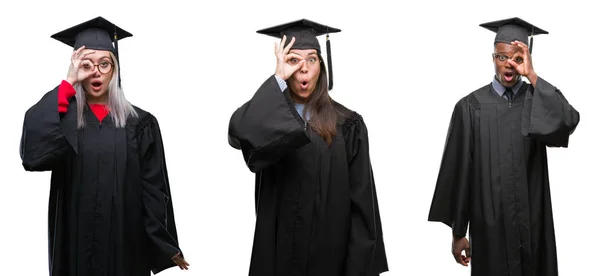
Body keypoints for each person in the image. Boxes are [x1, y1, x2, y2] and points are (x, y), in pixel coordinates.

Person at [19, 16, 189, 276]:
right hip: (74, 243)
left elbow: (154, 190)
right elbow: (32, 155)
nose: (96, 71)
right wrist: (67, 84)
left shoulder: (140, 124)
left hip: (125, 245)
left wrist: (165, 244)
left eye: (104, 64)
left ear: (115, 69)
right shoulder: (63, 119)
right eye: (87, 65)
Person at [227, 19, 388, 276]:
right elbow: (238, 132)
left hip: (330, 258)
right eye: (293, 61)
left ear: (322, 67)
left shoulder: (348, 125)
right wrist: (277, 80)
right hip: (277, 255)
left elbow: (362, 208)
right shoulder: (267, 120)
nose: (303, 70)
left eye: (311, 60)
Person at [427, 17, 580, 276]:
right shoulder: (471, 107)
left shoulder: (536, 101)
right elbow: (460, 171)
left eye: (517, 59)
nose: (508, 64)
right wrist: (458, 232)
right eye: (502, 57)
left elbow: (568, 121)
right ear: (493, 58)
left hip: (533, 225)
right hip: (490, 228)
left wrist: (532, 76)